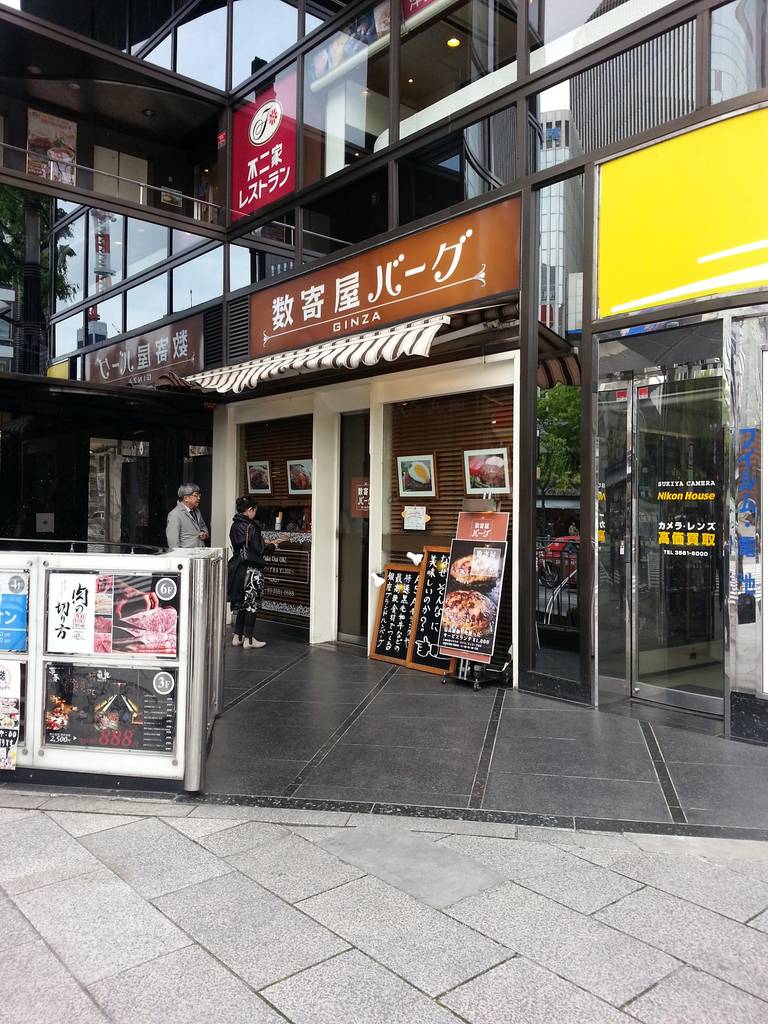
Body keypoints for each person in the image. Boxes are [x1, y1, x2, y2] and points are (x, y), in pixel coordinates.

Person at [227, 496, 281, 649]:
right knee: (251, 604)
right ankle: (249, 640)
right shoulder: (251, 527)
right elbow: (261, 549)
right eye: (255, 510)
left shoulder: (235, 525)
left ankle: (238, 636)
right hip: (252, 570)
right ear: (249, 510)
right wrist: (273, 546)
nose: (255, 513)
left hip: (239, 568)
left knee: (242, 603)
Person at [166, 484, 209, 549]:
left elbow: (203, 526)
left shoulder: (197, 512)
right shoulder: (175, 514)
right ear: (186, 498)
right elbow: (173, 542)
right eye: (196, 495)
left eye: (199, 495)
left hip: (199, 552)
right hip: (186, 554)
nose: (199, 498)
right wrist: (178, 554)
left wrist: (204, 533)